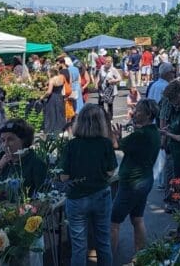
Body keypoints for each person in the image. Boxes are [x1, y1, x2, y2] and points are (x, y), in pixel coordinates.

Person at [61, 104, 117, 266]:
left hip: (77, 198)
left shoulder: (72, 145)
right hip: (101, 195)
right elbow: (111, 172)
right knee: (103, 242)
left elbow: (64, 177)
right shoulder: (105, 144)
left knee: (79, 247)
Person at [110, 99, 160, 260]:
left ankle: (108, 258)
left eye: (138, 111)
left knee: (113, 222)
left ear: (147, 115)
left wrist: (115, 137)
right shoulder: (153, 132)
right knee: (137, 218)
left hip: (132, 182)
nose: (134, 113)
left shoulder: (141, 135)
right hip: (145, 180)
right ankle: (141, 256)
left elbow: (117, 145)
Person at [0, 119, 48, 197]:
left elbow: (43, 199)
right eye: (3, 140)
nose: (5, 145)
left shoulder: (36, 164)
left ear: (24, 140)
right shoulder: (4, 162)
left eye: (10, 139)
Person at [42, 68, 67, 135]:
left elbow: (49, 92)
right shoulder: (61, 78)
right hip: (59, 96)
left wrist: (42, 97)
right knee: (59, 113)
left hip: (53, 97)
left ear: (51, 73)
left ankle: (51, 129)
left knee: (52, 113)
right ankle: (60, 128)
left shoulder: (52, 80)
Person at [97, 56, 122, 121]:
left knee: (109, 104)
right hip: (102, 89)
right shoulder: (102, 68)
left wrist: (112, 81)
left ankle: (110, 119)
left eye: (108, 62)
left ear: (111, 63)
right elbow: (99, 76)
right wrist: (97, 83)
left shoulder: (113, 69)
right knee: (100, 104)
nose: (107, 63)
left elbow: (119, 78)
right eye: (106, 61)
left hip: (111, 90)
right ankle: (101, 117)